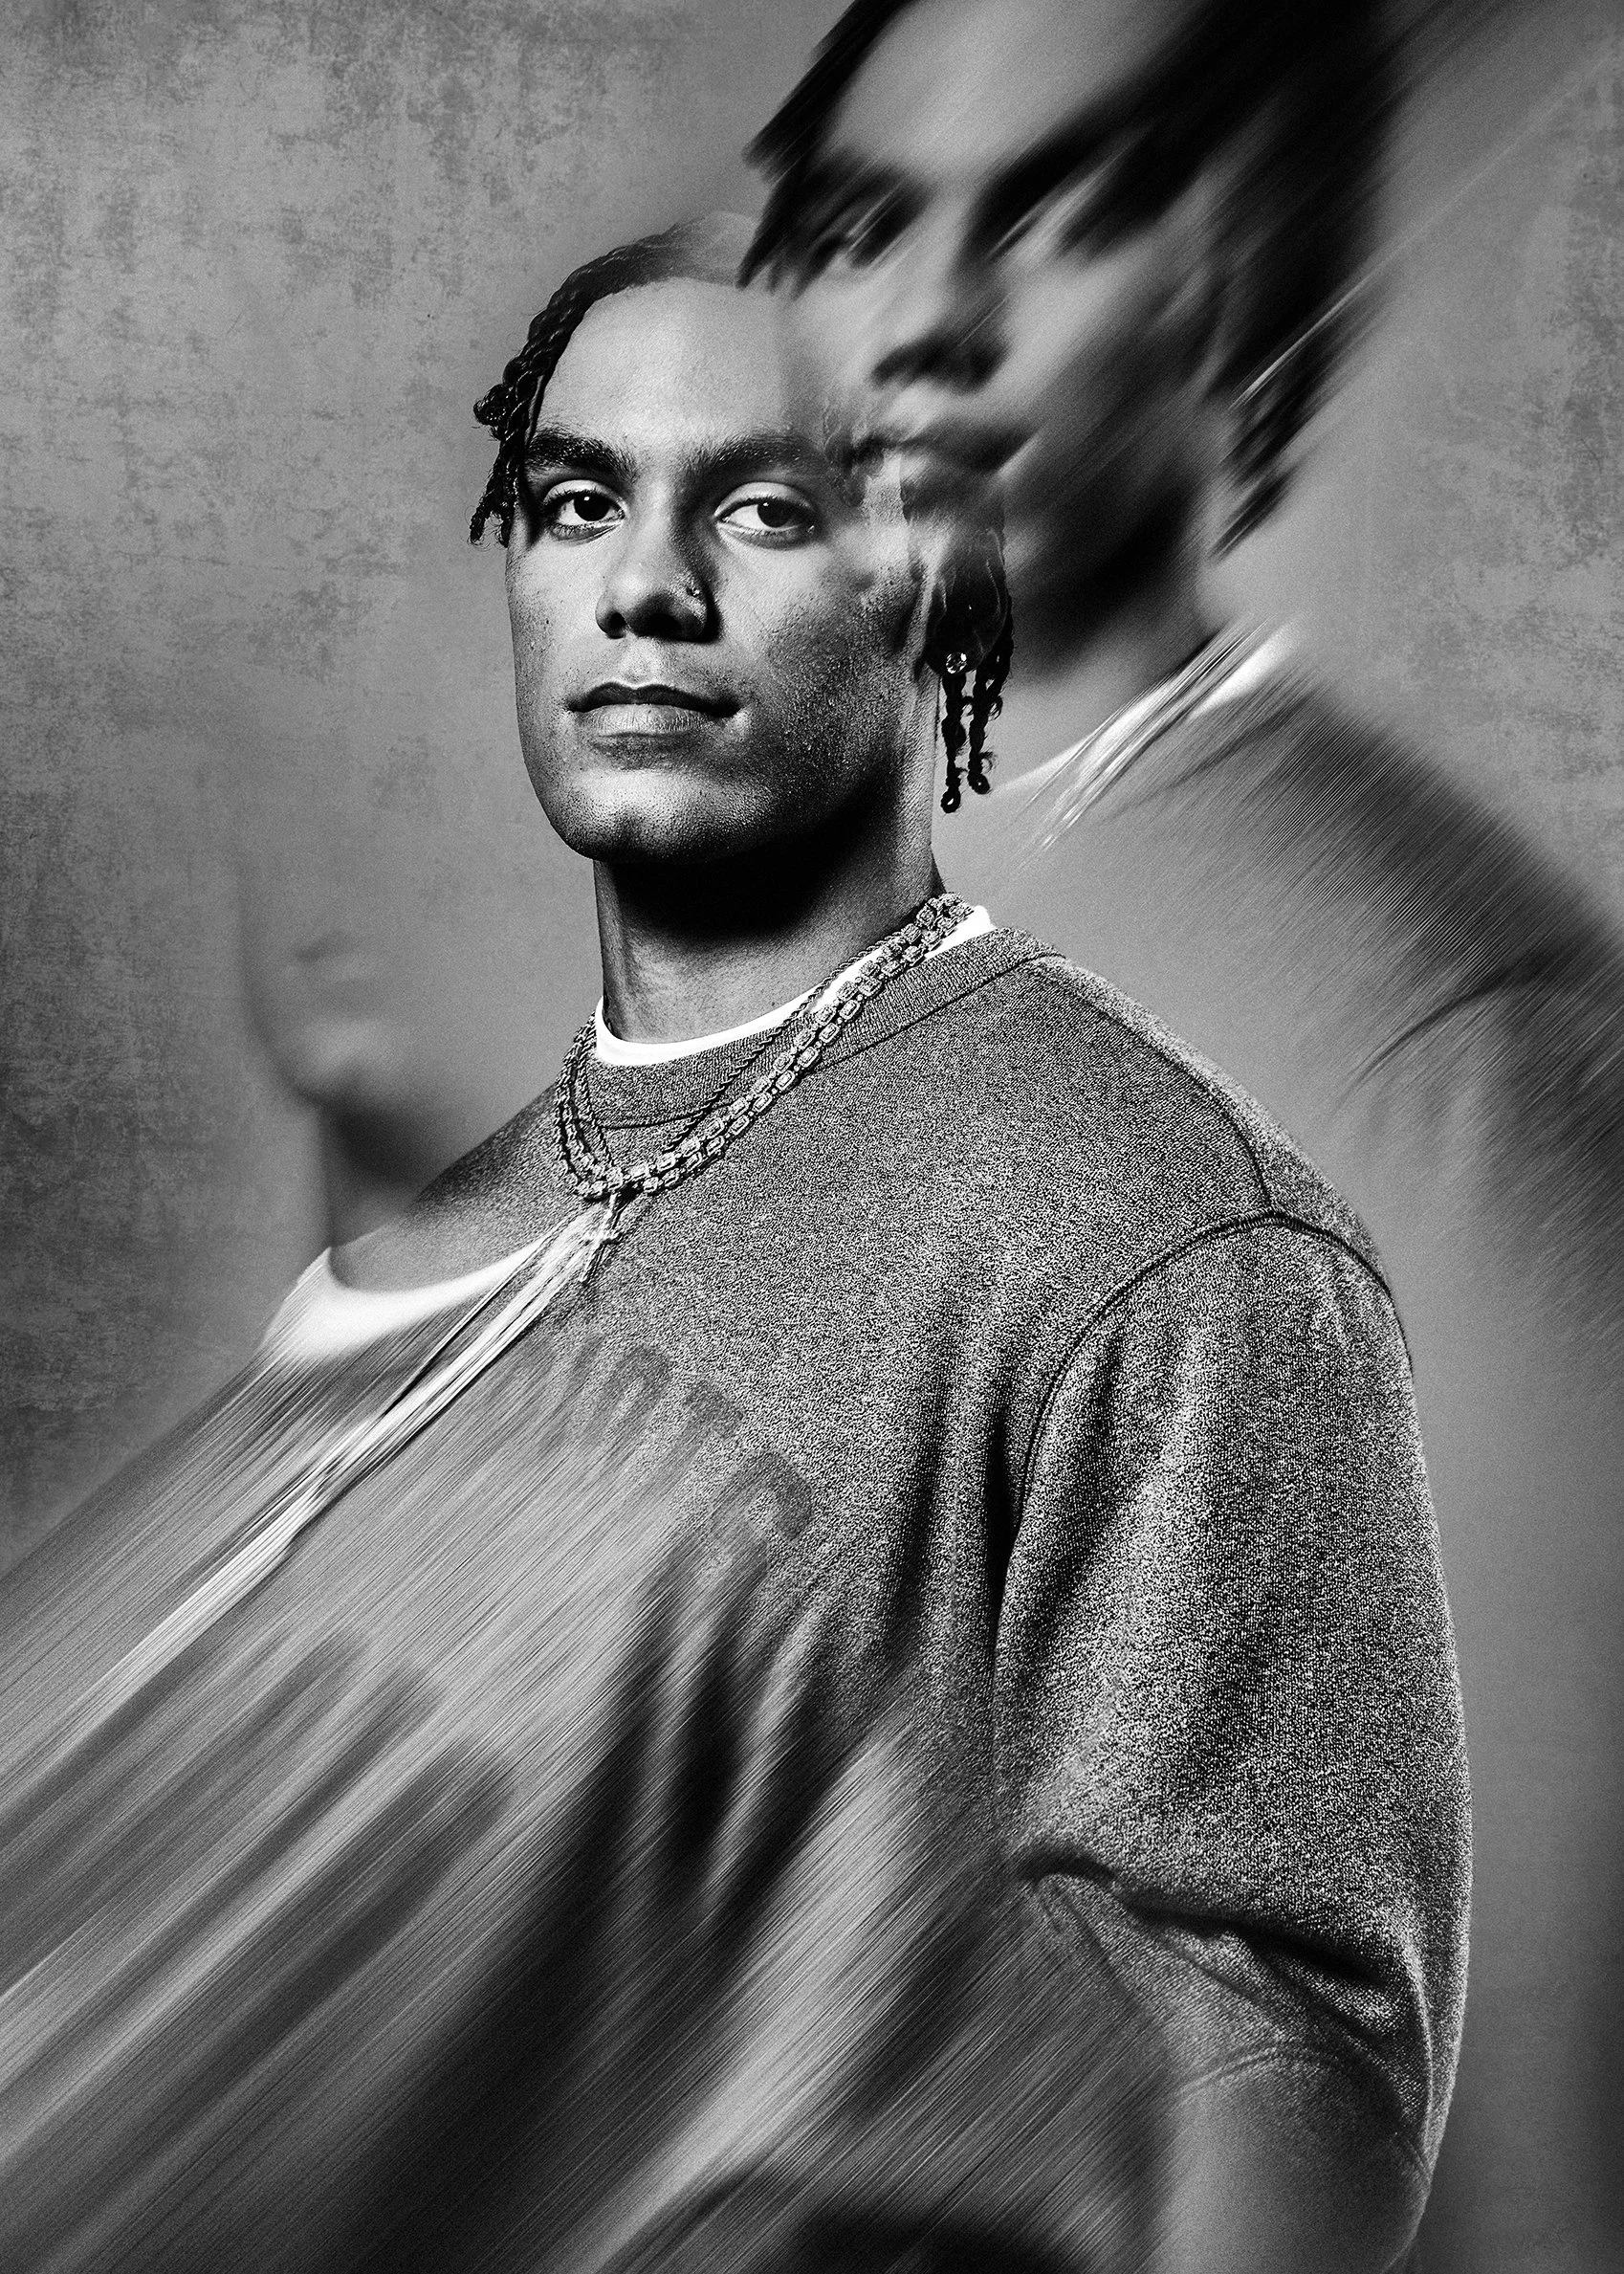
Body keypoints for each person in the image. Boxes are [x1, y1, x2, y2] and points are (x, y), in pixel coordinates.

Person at [0, 216, 1466, 2273]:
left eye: (765, 508)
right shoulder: (452, 1237)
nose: (646, 586)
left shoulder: (1165, 1234)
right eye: (577, 500)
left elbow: (1269, 2101)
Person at [743, 6, 1624, 2264]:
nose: (929, 322)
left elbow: (1520, 2091)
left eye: (1066, 214)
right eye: (857, 230)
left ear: (1260, 301)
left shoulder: (1449, 1051)